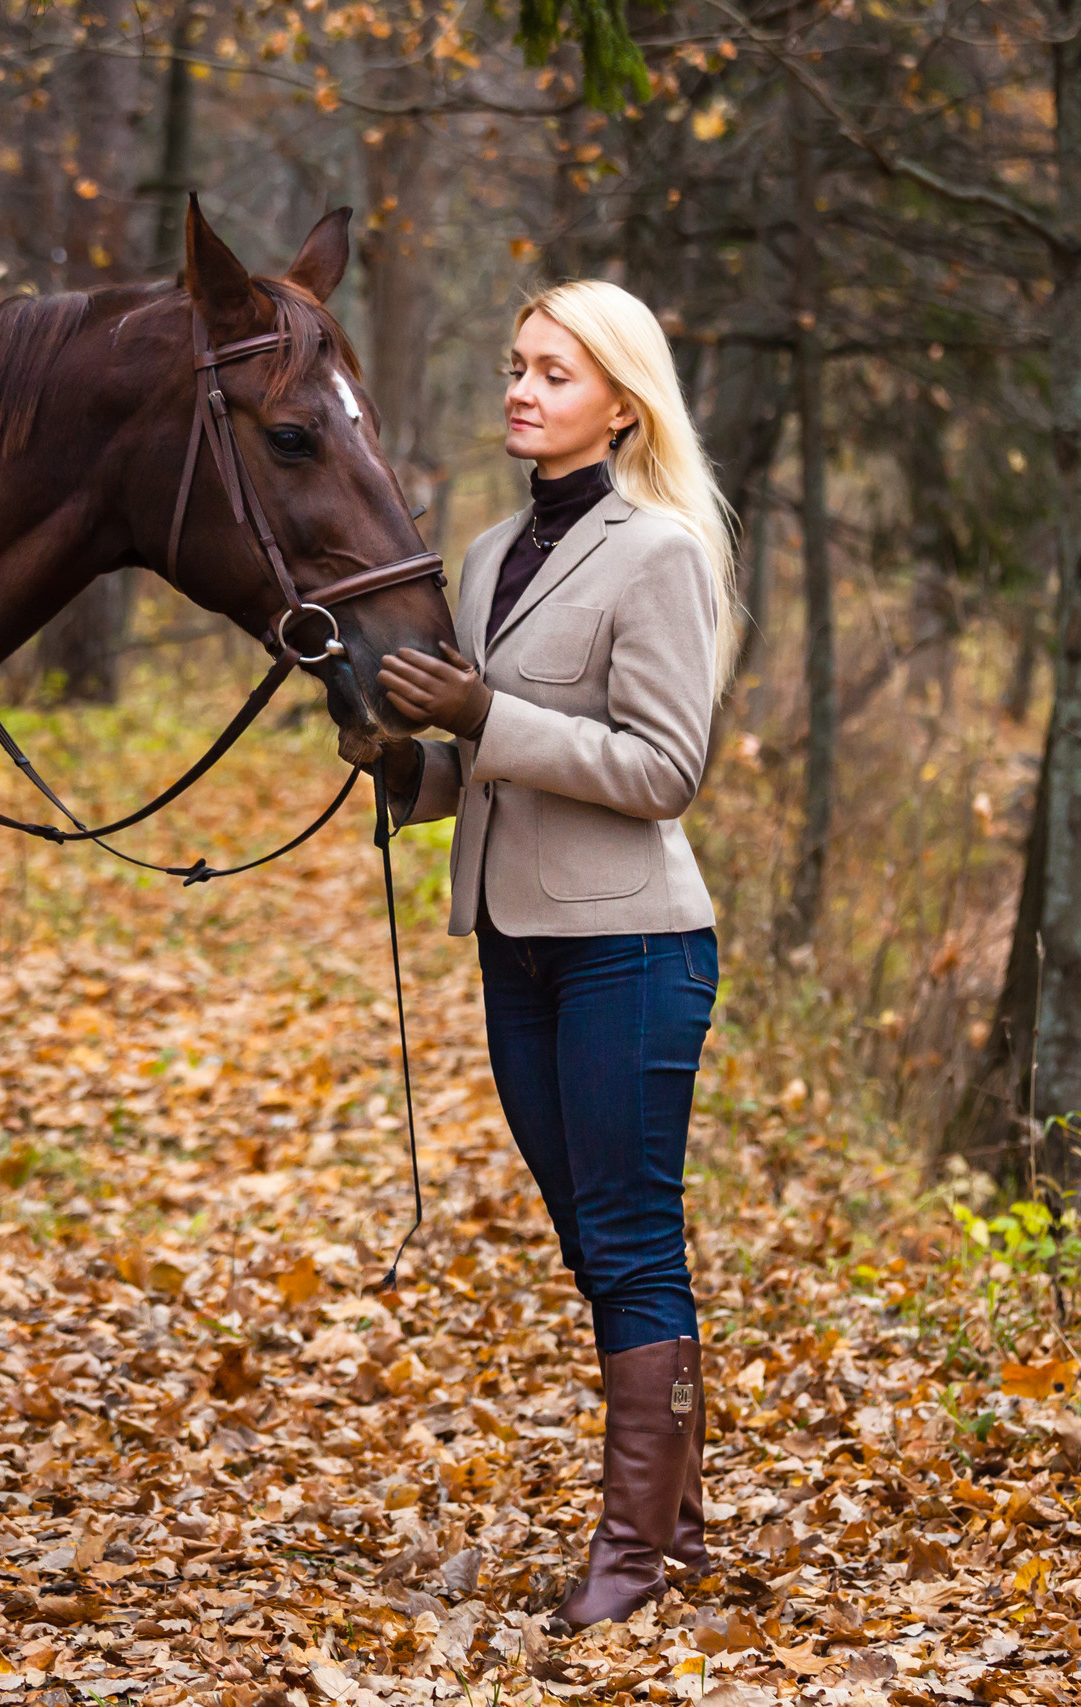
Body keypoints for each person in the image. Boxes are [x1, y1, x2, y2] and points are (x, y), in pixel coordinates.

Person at [375, 280, 738, 1630]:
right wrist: (406, 767)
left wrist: (482, 712)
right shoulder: (484, 557)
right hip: (514, 945)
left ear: (622, 406)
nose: (521, 391)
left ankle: (631, 1561)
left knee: (631, 1242)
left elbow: (664, 770)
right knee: (594, 1243)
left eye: (555, 373)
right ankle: (675, 1535)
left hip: (632, 949)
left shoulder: (661, 554)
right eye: (516, 365)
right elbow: (489, 768)